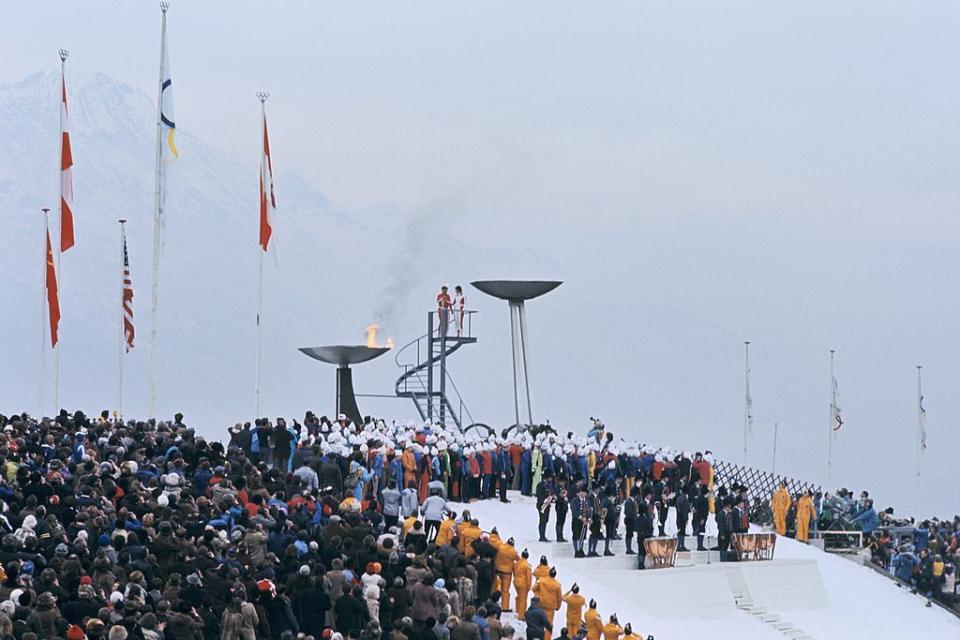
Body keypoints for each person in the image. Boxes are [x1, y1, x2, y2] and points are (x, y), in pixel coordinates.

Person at [513, 549, 532, 619]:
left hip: (516, 582)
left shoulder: (517, 563)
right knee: (523, 600)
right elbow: (529, 577)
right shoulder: (527, 565)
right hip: (523, 584)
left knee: (519, 596)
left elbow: (514, 572)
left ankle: (518, 610)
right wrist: (529, 586)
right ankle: (522, 615)